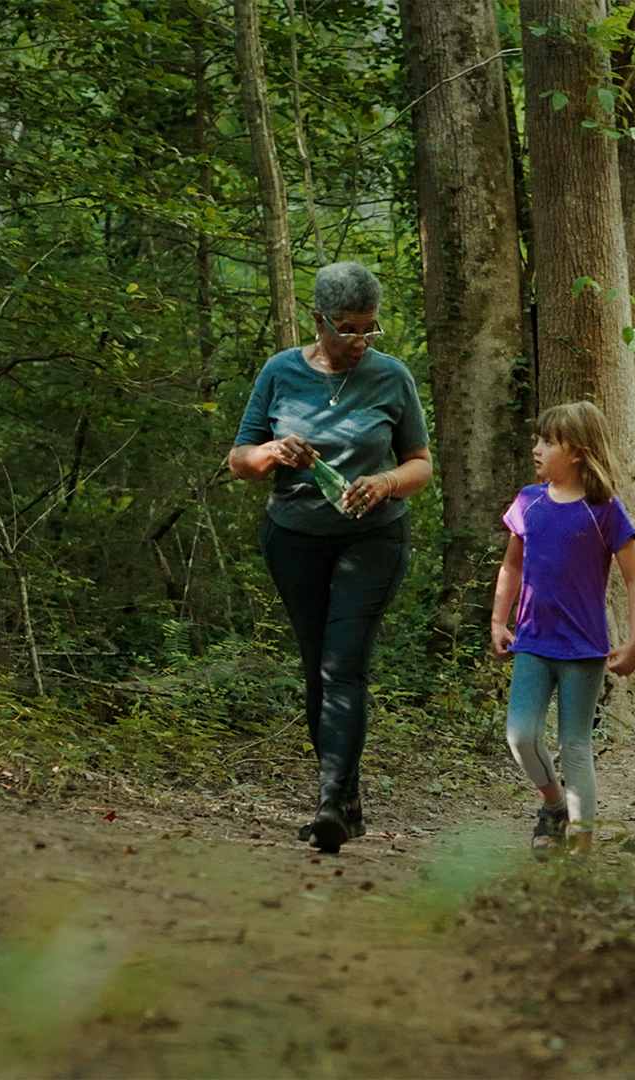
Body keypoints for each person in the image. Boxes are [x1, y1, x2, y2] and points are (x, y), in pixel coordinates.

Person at [229, 261, 432, 853]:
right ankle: (344, 799)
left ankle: (329, 805)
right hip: (292, 538)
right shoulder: (281, 372)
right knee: (318, 666)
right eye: (347, 328)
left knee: (344, 665)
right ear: (318, 320)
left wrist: (386, 482)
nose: (359, 341)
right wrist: (272, 452)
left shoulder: (391, 377)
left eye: (369, 329)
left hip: (373, 538)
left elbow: (420, 461)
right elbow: (239, 459)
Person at [489, 401, 635, 855]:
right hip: (533, 643)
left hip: (583, 649)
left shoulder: (604, 510)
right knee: (520, 736)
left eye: (547, 442)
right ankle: (553, 804)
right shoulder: (528, 502)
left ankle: (582, 846)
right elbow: (511, 566)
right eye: (538, 440)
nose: (536, 449)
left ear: (576, 452)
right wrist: (499, 620)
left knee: (575, 747)